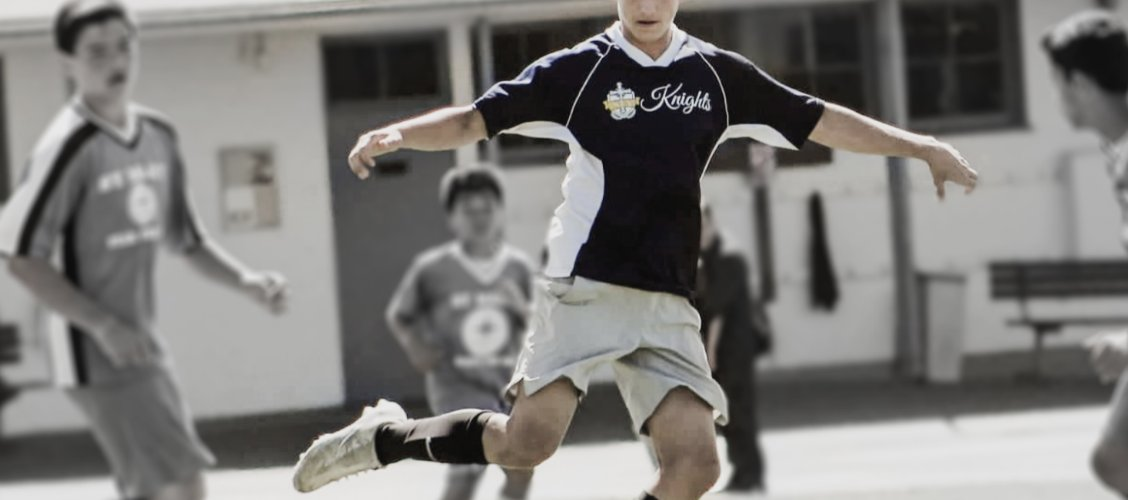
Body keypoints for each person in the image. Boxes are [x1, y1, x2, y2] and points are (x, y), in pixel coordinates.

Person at [292, 1, 977, 498]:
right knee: (528, 446)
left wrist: (921, 146)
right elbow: (476, 118)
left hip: (669, 301)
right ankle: (382, 439)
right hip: (584, 287)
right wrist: (397, 134)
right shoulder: (580, 73)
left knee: (696, 466)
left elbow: (817, 118)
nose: (647, 4)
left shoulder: (716, 77)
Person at [0, 2, 288, 499]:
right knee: (181, 481)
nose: (115, 60)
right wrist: (103, 325)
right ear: (67, 62)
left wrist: (246, 280)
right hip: (93, 350)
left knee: (158, 487)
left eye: (124, 45)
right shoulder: (66, 147)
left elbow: (187, 240)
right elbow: (18, 252)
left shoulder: (158, 135)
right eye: (95, 51)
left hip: (141, 344)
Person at [386, 167, 535, 500]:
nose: (479, 218)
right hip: (457, 385)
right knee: (468, 467)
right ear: (452, 217)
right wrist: (416, 347)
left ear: (499, 213)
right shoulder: (433, 269)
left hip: (505, 384)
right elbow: (401, 315)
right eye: (469, 210)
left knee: (522, 467)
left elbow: (537, 325)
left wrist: (520, 309)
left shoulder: (517, 268)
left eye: (487, 209)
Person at [1044, 10, 1128, 498]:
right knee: (1116, 459)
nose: (1057, 96)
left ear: (1078, 82)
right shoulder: (1117, 148)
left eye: (1056, 82)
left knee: (1116, 458)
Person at [697, 202, 772, 493]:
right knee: (729, 414)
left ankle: (750, 474)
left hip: (736, 348)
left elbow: (716, 307)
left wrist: (710, 352)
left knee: (741, 411)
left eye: (702, 225)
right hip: (721, 351)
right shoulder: (708, 257)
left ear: (711, 224)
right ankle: (743, 472)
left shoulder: (728, 257)